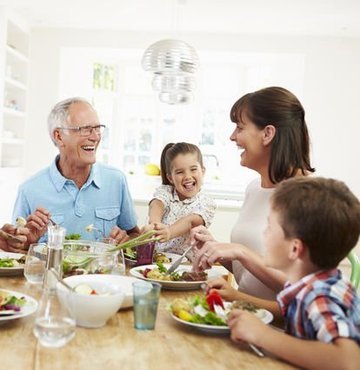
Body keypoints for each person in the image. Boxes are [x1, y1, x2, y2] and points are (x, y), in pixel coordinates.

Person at [191, 86, 315, 301]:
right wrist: (218, 249)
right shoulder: (254, 188)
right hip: (243, 319)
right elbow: (249, 274)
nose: (232, 137)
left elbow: (302, 293)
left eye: (239, 127)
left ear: (267, 133)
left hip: (274, 329)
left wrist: (240, 252)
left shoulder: (309, 197)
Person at [228, 176, 360, 369]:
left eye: (270, 227)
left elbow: (348, 361)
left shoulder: (320, 295)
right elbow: (287, 311)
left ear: (295, 249)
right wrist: (238, 301)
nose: (264, 233)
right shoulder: (306, 284)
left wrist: (263, 335)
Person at [12, 97, 140, 246]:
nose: (95, 137)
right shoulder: (29, 190)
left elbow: (135, 235)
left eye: (97, 128)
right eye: (85, 129)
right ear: (59, 136)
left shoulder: (116, 180)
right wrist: (26, 244)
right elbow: (15, 253)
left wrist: (126, 241)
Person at [142, 142, 216, 261]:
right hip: (156, 261)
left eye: (193, 169)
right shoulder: (166, 192)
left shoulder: (207, 203)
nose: (187, 176)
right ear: (170, 177)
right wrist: (154, 225)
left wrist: (169, 232)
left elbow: (191, 221)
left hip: (187, 265)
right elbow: (157, 204)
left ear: (203, 171)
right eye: (180, 172)